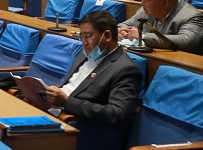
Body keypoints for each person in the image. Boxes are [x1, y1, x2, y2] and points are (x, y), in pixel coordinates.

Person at [45, 11, 142, 150]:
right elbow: (73, 87)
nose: (83, 42)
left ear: (107, 36)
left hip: (81, 129)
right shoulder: (85, 54)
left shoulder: (126, 69)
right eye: (81, 36)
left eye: (89, 36)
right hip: (54, 114)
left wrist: (67, 102)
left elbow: (118, 114)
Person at [118, 0, 203, 56]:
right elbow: (126, 24)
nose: (142, 3)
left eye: (147, 0)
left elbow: (186, 41)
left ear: (164, 2)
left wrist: (142, 36)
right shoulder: (146, 11)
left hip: (191, 66)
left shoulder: (191, 16)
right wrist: (121, 31)